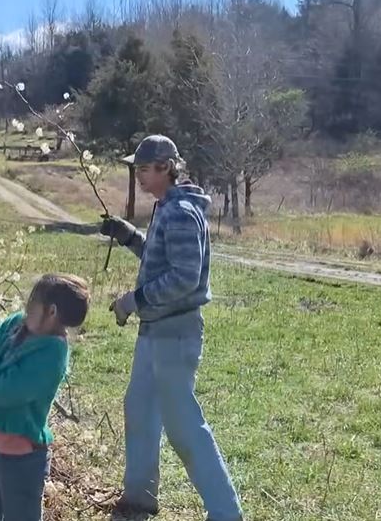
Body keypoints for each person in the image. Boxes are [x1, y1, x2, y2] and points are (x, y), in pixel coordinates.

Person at [100, 135, 242, 521]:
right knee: (140, 408)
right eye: (138, 169)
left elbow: (183, 277)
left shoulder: (179, 211)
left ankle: (227, 513)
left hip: (175, 333)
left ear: (166, 167)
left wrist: (133, 300)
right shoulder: (168, 207)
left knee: (183, 426)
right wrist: (128, 235)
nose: (140, 176)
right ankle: (139, 499)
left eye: (145, 169)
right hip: (154, 333)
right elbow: (161, 256)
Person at [0, 273, 91, 521]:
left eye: (33, 303)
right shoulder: (17, 325)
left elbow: (6, 391)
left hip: (23, 464)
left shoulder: (53, 354)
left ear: (51, 311)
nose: (27, 308)